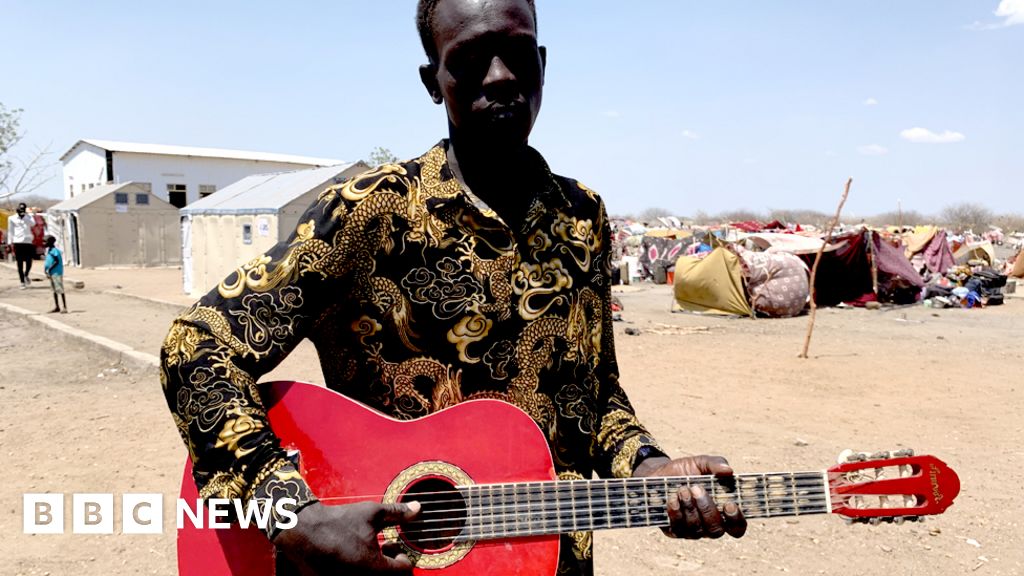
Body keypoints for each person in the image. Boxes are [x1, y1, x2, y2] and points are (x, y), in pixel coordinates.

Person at [160, 1, 745, 574]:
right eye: (468, 59)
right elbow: (196, 347)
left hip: (549, 559)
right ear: (432, 82)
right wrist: (291, 513)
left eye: (518, 53)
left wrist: (648, 467)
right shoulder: (372, 214)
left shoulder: (580, 215)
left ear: (543, 63)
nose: (501, 77)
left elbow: (593, 398)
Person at [8, 202, 37, 288]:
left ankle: (26, 274)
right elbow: (10, 230)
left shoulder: (29, 217)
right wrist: (10, 242)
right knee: (19, 262)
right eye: (20, 209)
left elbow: (33, 224)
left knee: (29, 261)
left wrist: (24, 216)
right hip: (18, 241)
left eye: (23, 209)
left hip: (28, 241)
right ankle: (22, 282)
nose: (22, 211)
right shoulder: (12, 218)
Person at [43, 235, 67, 313]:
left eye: (45, 241)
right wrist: (46, 270)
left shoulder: (54, 250)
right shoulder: (49, 250)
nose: (43, 243)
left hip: (56, 272)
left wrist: (50, 268)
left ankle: (64, 307)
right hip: (52, 273)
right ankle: (57, 306)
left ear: (50, 242)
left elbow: (57, 261)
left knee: (60, 289)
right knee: (54, 290)